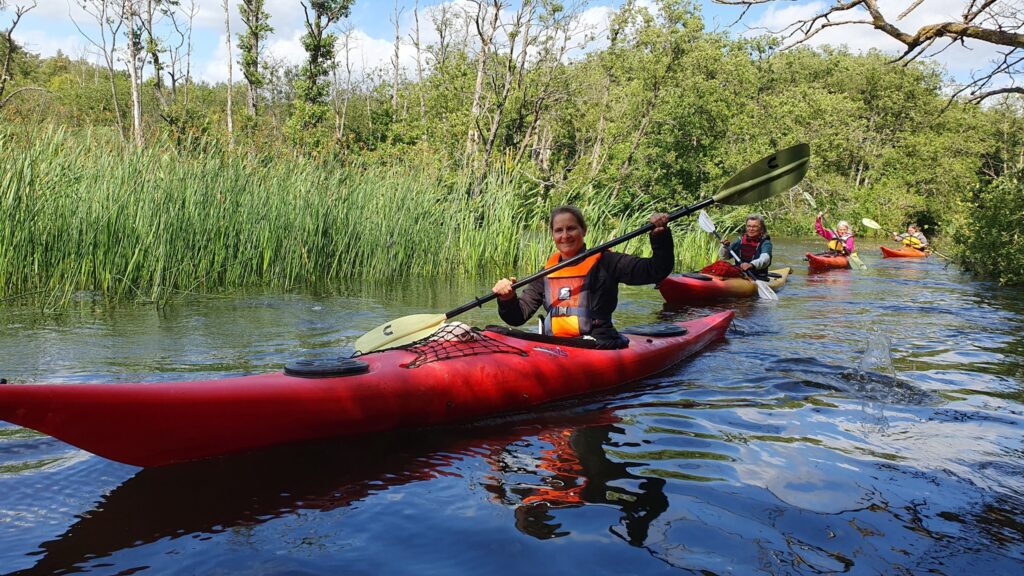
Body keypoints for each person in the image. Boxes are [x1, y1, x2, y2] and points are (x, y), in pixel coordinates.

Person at [491, 205, 672, 347]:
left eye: (571, 228)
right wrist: (507, 298)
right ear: (552, 235)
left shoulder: (607, 262)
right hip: (555, 347)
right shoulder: (546, 273)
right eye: (558, 230)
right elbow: (517, 317)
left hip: (599, 345)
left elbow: (656, 270)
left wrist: (660, 236)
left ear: (583, 230)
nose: (565, 236)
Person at [719, 214, 773, 280]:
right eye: (749, 226)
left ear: (761, 229)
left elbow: (765, 259)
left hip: (757, 276)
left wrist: (751, 265)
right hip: (739, 274)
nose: (751, 229)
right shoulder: (740, 241)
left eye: (755, 226)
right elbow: (725, 257)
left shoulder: (765, 243)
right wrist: (725, 247)